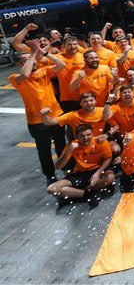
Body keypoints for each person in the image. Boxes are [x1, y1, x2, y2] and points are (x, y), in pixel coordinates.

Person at [9, 40, 67, 186]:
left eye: (34, 60)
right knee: (44, 150)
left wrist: (43, 53)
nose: (33, 62)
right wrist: (32, 54)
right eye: (28, 60)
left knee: (61, 144)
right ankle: (50, 175)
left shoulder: (44, 71)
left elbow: (61, 65)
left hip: (56, 115)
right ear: (19, 64)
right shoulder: (15, 78)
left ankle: (66, 168)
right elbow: (25, 74)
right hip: (37, 122)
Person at [47, 124, 115, 208]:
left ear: (92, 134)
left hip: (97, 169)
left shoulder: (100, 142)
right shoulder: (72, 145)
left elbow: (108, 158)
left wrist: (97, 173)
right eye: (82, 136)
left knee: (110, 177)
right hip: (79, 174)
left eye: (88, 134)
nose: (86, 138)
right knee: (52, 189)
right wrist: (69, 150)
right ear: (77, 136)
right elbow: (58, 166)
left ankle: (75, 193)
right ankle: (87, 194)